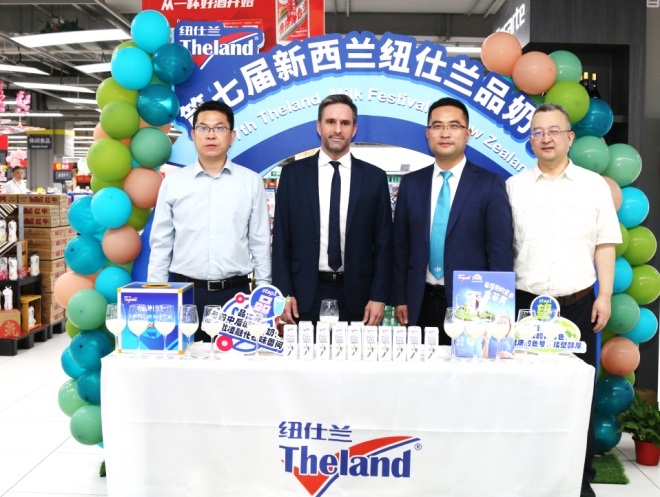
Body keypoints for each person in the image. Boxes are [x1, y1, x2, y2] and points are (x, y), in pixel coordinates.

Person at [506, 103, 621, 497]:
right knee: (526, 393)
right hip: (525, 307)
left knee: (577, 394)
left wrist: (605, 295)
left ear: (570, 138)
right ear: (530, 140)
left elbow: (605, 243)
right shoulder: (514, 186)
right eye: (538, 132)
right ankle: (527, 474)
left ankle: (579, 476)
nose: (546, 138)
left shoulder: (593, 186)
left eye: (554, 131)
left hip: (577, 306)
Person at [148, 100, 271, 341]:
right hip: (186, 295)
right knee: (184, 362)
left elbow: (260, 242)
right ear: (193, 135)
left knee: (235, 363)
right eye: (203, 128)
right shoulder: (173, 183)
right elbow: (161, 244)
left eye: (219, 128)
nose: (211, 135)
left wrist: (264, 292)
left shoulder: (251, 182)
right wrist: (156, 296)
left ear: (232, 135)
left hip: (236, 297)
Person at [392, 97, 513, 342]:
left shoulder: (489, 184)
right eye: (437, 126)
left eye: (454, 126)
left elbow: (500, 251)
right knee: (422, 365)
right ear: (427, 134)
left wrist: (498, 309)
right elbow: (400, 247)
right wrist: (400, 297)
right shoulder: (412, 183)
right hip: (419, 301)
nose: (445, 133)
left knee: (467, 366)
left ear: (468, 133)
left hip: (473, 305)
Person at [272, 94, 392, 325]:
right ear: (319, 127)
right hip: (302, 296)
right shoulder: (292, 175)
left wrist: (379, 296)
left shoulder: (374, 178)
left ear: (354, 129)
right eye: (330, 122)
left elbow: (384, 243)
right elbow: (281, 240)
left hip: (359, 298)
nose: (337, 129)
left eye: (345, 123)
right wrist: (284, 293)